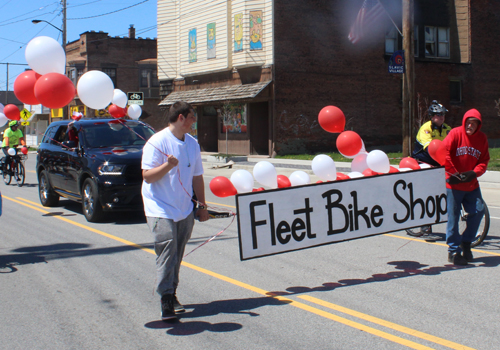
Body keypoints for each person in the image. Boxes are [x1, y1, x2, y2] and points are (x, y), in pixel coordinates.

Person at [141, 101, 209, 321]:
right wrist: (168, 166)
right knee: (168, 249)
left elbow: (197, 176)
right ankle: (166, 298)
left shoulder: (192, 144)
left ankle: (172, 292)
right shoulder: (157, 142)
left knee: (177, 254)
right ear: (181, 117)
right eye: (192, 117)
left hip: (184, 207)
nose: (193, 122)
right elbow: (147, 176)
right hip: (159, 207)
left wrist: (202, 206)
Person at [443, 108, 489, 265]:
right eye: (468, 123)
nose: (470, 126)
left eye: (474, 124)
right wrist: (454, 174)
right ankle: (453, 251)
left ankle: (467, 242)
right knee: (453, 217)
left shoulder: (482, 139)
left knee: (479, 210)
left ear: (478, 125)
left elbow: (484, 160)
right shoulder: (455, 133)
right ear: (464, 122)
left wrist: (473, 173)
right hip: (453, 185)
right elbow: (444, 153)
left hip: (471, 185)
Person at [408, 100, 451, 238]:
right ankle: (425, 228)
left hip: (439, 161)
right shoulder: (426, 128)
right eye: (439, 115)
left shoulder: (447, 129)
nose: (442, 117)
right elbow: (431, 149)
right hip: (424, 161)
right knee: (428, 192)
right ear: (432, 117)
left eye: (443, 115)